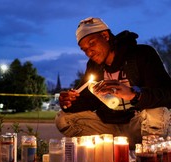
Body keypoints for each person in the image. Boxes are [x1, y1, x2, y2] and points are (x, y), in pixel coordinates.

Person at [55, 17, 171, 150]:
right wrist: (70, 102)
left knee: (158, 112)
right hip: (110, 127)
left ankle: (149, 158)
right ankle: (108, 152)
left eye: (92, 43)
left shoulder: (142, 54)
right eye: (84, 49)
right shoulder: (94, 66)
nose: (89, 52)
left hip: (138, 126)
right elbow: (89, 101)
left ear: (105, 36)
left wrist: (134, 94)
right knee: (63, 118)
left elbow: (167, 94)